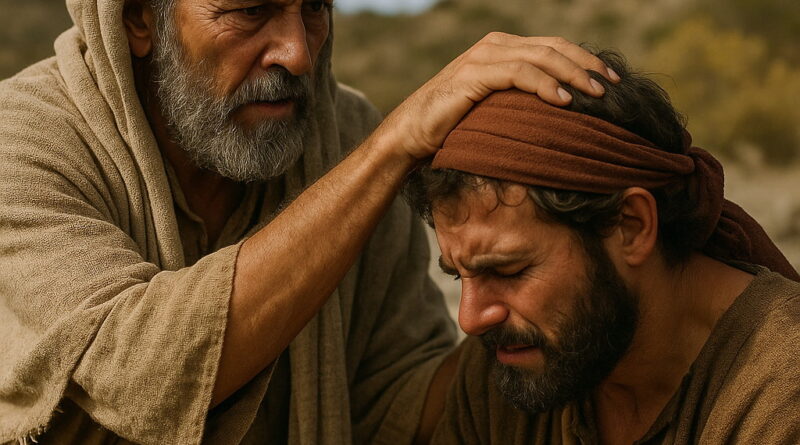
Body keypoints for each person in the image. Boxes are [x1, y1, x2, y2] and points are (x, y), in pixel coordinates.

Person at [0, 0, 621, 443]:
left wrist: (572, 302)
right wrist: (390, 150)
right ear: (141, 18)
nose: (298, 53)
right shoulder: (22, 141)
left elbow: (395, 404)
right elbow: (140, 376)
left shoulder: (342, 135)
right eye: (250, 11)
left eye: (316, 8)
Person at [405, 49, 800, 444]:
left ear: (631, 225)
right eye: (460, 274)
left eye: (508, 271)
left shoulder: (780, 388)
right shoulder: (507, 363)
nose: (471, 319)